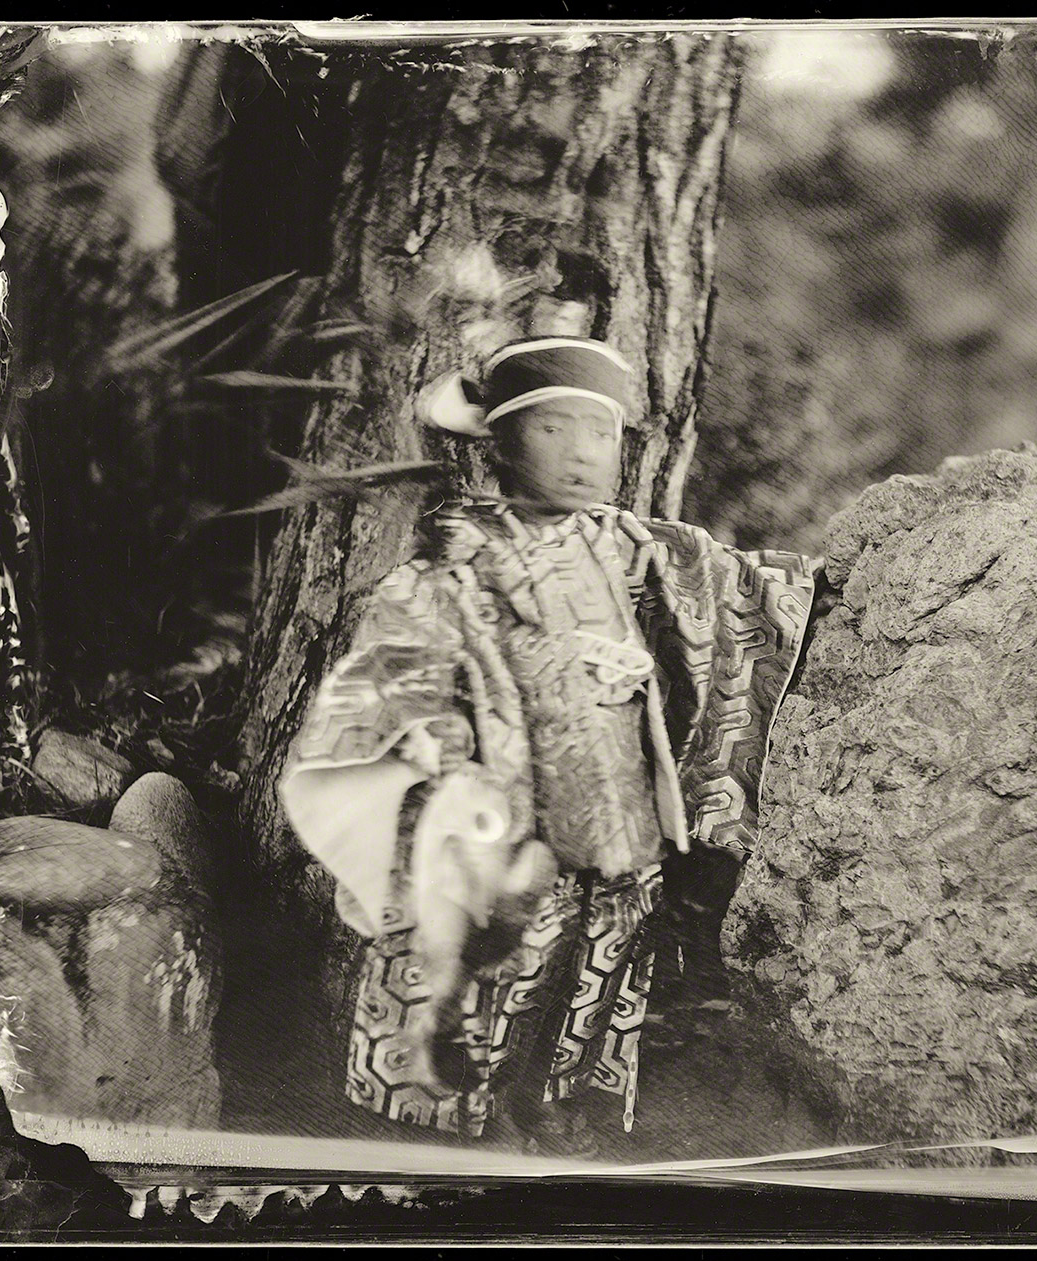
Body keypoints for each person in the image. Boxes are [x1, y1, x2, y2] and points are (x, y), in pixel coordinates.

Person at [280, 337, 818, 1155]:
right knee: (492, 986)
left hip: (620, 811)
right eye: (555, 430)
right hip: (511, 821)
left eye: (599, 433)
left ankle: (559, 1116)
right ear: (502, 443)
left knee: (590, 987)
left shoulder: (636, 549)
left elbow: (740, 584)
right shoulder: (449, 566)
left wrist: (850, 580)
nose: (581, 454)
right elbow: (388, 688)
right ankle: (454, 1141)